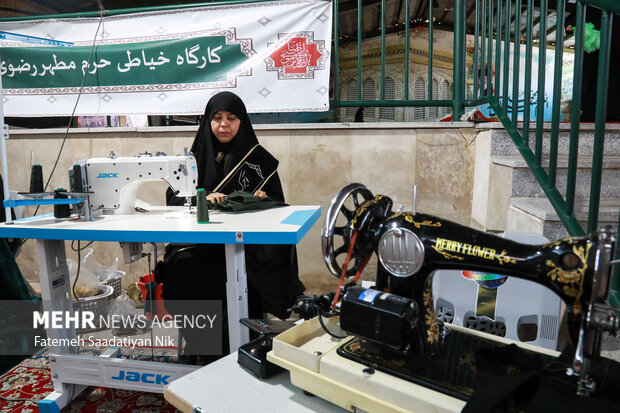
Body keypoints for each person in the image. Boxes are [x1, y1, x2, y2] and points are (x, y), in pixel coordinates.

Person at [160, 92, 304, 361]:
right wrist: (202, 196)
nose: (223, 124)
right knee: (183, 267)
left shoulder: (259, 162)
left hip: (246, 248)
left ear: (242, 122)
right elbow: (173, 199)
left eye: (231, 118)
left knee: (240, 271)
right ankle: (201, 346)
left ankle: (245, 343)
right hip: (200, 246)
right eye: (216, 118)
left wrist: (262, 201)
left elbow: (278, 204)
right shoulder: (190, 161)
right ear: (207, 122)